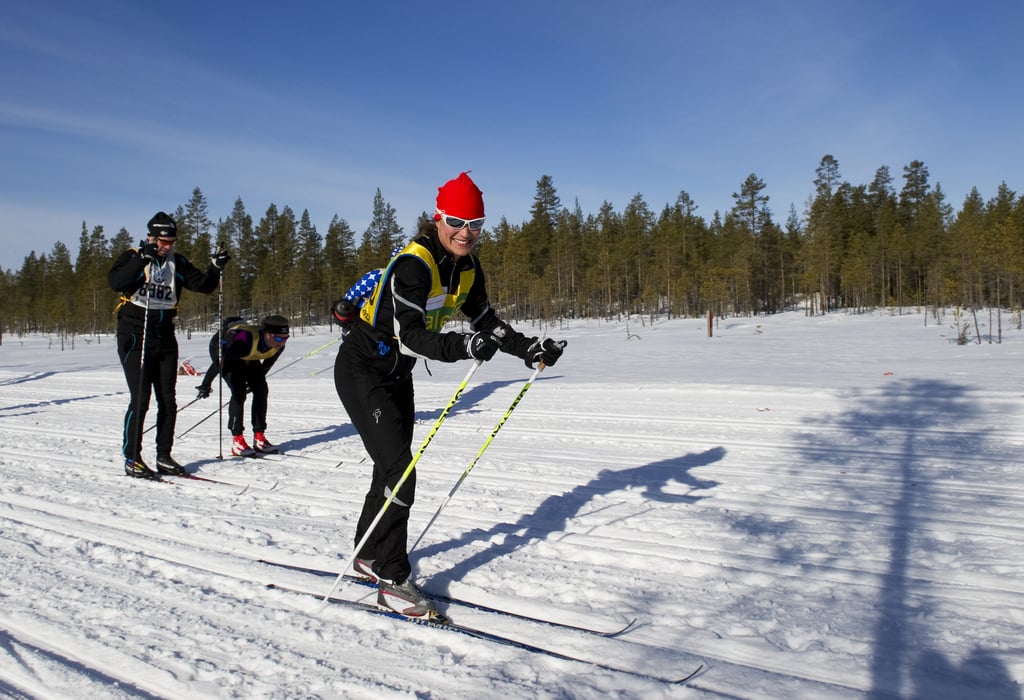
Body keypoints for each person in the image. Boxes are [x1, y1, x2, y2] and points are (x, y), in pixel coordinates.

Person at [333, 172, 566, 618]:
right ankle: (392, 576)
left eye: (476, 223)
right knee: (400, 471)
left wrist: (527, 349)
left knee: (392, 466)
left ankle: (367, 551)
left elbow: (487, 321)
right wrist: (463, 348)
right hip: (364, 369)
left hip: (397, 375)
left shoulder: (467, 267)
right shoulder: (413, 266)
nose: (466, 232)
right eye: (457, 221)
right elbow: (411, 337)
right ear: (437, 218)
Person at [108, 211, 230, 479]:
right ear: (150, 237)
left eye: (170, 243)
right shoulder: (133, 256)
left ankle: (163, 455)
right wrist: (142, 260)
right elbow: (116, 282)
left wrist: (215, 268)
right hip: (134, 334)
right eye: (162, 242)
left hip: (164, 335)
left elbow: (203, 285)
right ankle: (132, 457)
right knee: (140, 399)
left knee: (168, 399)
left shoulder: (178, 262)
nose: (166, 247)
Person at [196, 315, 290, 456]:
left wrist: (255, 383)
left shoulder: (278, 346)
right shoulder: (244, 339)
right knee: (238, 392)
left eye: (285, 338)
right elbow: (220, 363)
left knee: (261, 390)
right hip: (224, 349)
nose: (282, 342)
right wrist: (205, 385)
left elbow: (265, 367)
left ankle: (259, 437)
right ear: (267, 333)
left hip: (248, 354)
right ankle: (237, 441)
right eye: (278, 338)